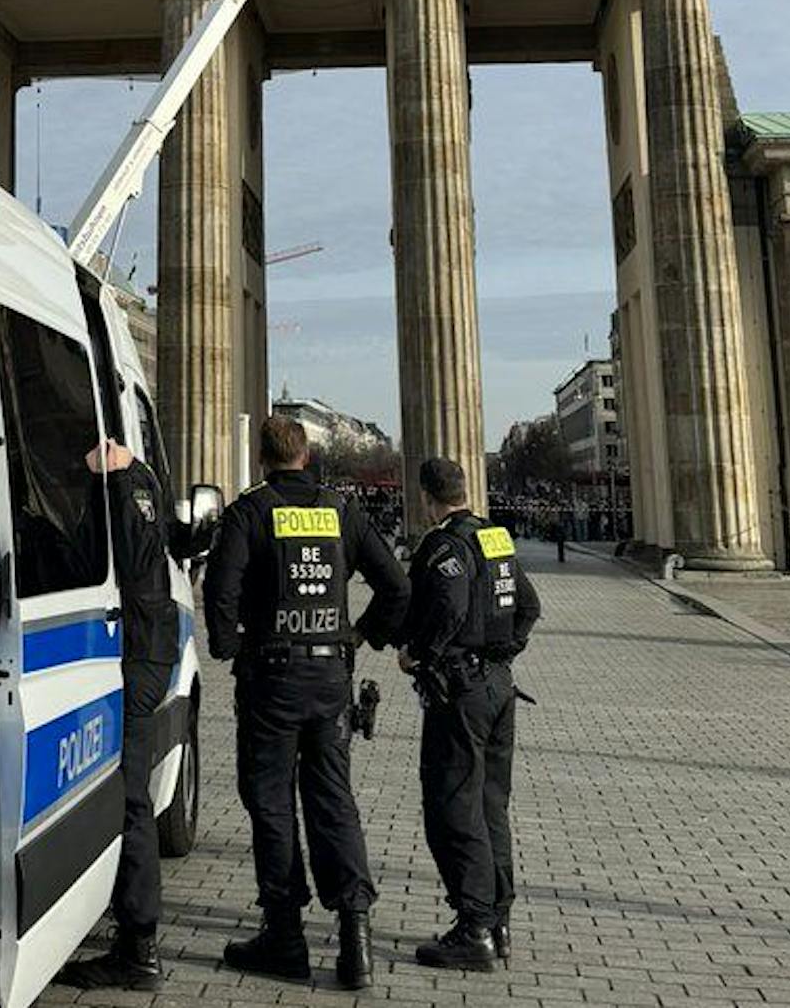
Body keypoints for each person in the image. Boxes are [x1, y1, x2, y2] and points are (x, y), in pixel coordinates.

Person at [203, 415, 411, 990]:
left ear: (263, 457)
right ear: (308, 454)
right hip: (330, 676)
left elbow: (221, 590)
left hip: (271, 675)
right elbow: (397, 585)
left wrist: (229, 647)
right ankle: (355, 941)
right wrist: (362, 635)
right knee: (333, 798)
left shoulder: (250, 510)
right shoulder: (340, 510)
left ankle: (285, 935)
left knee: (271, 800)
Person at [398, 457, 541, 972]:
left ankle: (473, 928)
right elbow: (529, 604)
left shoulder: (443, 544)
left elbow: (451, 608)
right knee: (491, 805)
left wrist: (421, 654)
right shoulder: (496, 538)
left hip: (460, 692)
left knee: (452, 807)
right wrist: (503, 653)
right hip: (499, 689)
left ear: (427, 498)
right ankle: (499, 920)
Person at [56, 437, 181, 990]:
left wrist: (114, 481)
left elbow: (132, 558)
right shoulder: (146, 481)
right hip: (145, 649)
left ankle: (140, 948)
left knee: (132, 797)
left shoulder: (131, 487)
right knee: (128, 794)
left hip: (136, 652)